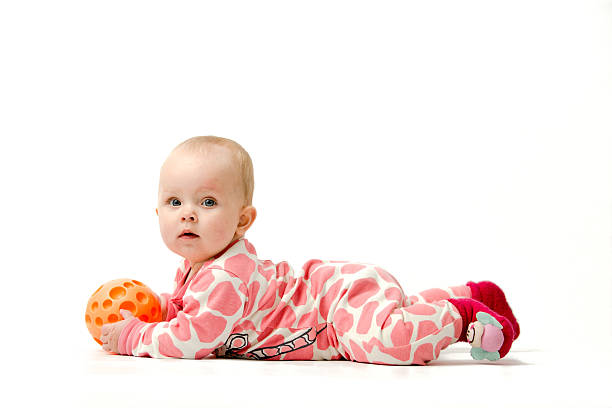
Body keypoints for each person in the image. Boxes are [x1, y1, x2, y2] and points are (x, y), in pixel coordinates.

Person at [100, 136, 520, 365]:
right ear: (156, 211)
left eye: (207, 203)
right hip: (333, 300)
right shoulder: (198, 267)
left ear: (243, 220)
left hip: (333, 305)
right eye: (175, 203)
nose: (187, 215)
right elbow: (192, 310)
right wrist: (158, 306)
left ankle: (460, 316)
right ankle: (472, 292)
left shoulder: (227, 275)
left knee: (384, 341)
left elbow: (194, 339)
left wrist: (135, 335)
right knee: (394, 312)